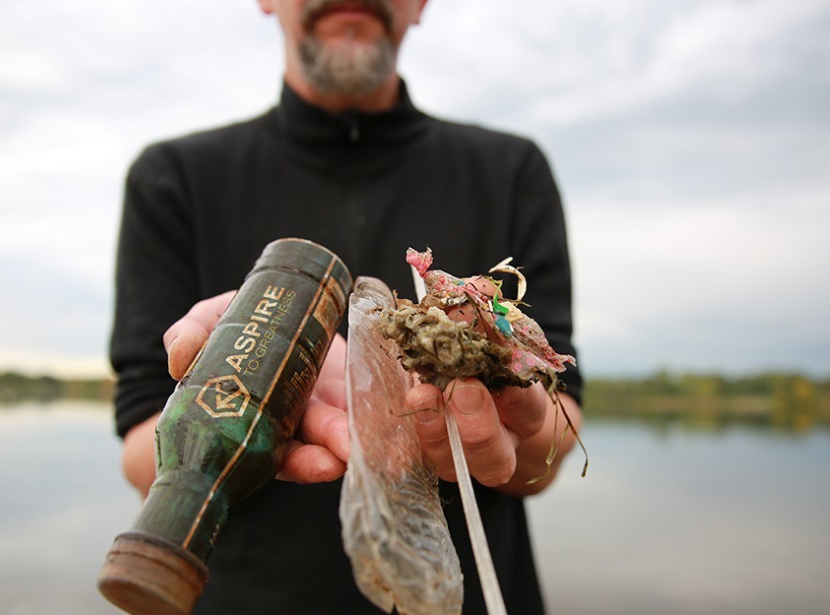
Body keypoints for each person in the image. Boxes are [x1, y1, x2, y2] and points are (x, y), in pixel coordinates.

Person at [109, 0, 583, 613]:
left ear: (421, 7)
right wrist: (245, 374)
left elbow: (553, 432)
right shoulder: (172, 179)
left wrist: (516, 435)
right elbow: (139, 450)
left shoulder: (513, 171)